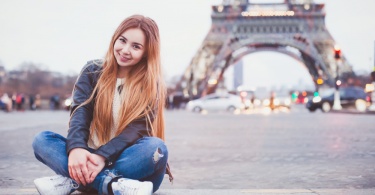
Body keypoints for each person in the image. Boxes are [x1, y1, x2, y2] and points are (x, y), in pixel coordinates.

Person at [32, 14, 173, 195]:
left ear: (147, 52)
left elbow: (136, 130)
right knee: (42, 140)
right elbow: (80, 113)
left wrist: (102, 157)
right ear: (115, 38)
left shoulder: (151, 84)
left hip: (128, 160)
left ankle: (74, 181)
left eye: (136, 46)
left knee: (156, 148)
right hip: (91, 157)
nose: (125, 50)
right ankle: (112, 185)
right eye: (122, 40)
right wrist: (76, 149)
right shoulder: (93, 71)